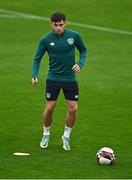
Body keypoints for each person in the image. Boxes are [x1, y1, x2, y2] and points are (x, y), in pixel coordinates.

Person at [32, 12, 87, 151]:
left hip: (70, 79)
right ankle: (46, 134)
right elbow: (37, 58)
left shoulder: (74, 36)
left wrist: (80, 64)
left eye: (60, 25)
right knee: (50, 107)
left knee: (73, 108)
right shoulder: (45, 40)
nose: (58, 28)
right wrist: (34, 75)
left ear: (65, 23)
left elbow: (83, 50)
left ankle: (66, 136)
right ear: (51, 24)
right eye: (55, 25)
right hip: (53, 78)